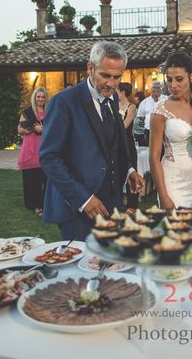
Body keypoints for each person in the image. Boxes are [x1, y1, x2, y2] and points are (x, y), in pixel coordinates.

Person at [39, 41, 144, 240]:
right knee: (81, 268)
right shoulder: (64, 103)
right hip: (77, 209)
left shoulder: (112, 99)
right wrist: (84, 199)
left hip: (112, 203)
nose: (112, 84)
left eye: (117, 77)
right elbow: (49, 158)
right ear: (90, 67)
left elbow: (112, 145)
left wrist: (129, 170)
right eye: (105, 75)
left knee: (111, 262)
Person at [149, 52, 192, 210]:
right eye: (169, 79)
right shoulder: (160, 110)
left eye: (179, 79)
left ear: (191, 77)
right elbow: (153, 157)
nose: (173, 85)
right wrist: (164, 196)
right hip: (173, 183)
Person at [17, 87, 48, 216]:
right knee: (33, 179)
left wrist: (43, 129)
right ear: (34, 97)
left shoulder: (50, 111)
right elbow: (20, 129)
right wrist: (34, 128)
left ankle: (45, 204)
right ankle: (35, 205)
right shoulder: (28, 112)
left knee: (46, 179)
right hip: (31, 148)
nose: (40, 99)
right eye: (38, 96)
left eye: (43, 97)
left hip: (46, 147)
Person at [118, 82, 139, 214]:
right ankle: (117, 203)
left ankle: (132, 204)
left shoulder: (132, 107)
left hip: (127, 143)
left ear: (123, 92)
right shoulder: (113, 106)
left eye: (117, 90)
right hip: (117, 143)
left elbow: (125, 124)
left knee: (131, 172)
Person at [136, 81, 167, 146]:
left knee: (164, 150)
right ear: (151, 89)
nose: (156, 89)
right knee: (150, 149)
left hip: (165, 130)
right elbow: (140, 116)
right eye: (154, 87)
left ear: (161, 89)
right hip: (149, 130)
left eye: (158, 87)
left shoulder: (167, 99)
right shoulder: (145, 102)